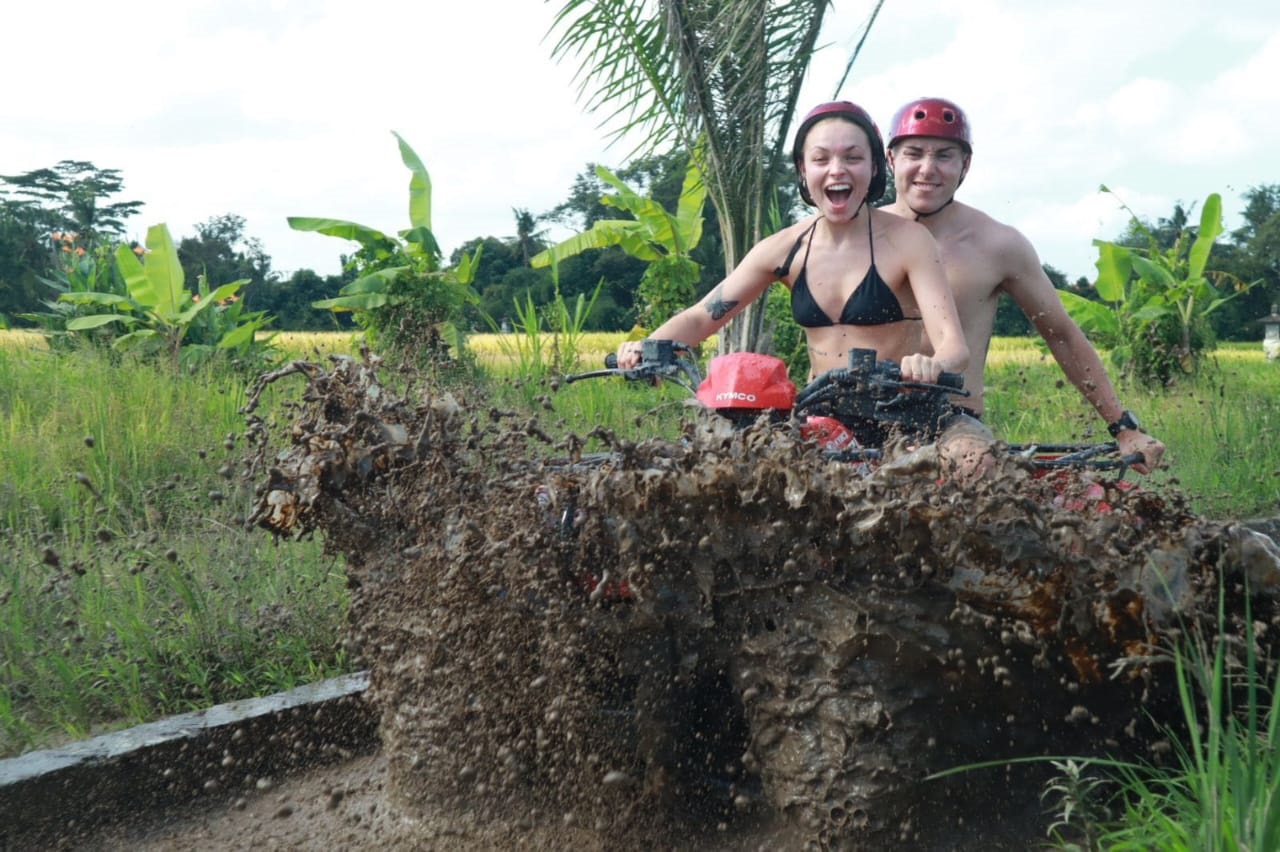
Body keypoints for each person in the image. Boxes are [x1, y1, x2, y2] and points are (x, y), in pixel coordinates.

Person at [617, 100, 976, 452]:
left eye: (853, 157)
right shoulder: (783, 248)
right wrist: (647, 347)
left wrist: (929, 365)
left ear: (874, 167)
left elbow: (953, 346)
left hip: (910, 414)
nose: (837, 170)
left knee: (972, 461)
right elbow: (702, 315)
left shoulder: (909, 240)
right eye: (821, 159)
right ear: (804, 170)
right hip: (818, 416)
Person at [883, 96, 1166, 474]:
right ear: (890, 160)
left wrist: (1124, 427)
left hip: (951, 419)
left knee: (978, 465)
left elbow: (1061, 333)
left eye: (944, 156)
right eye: (914, 153)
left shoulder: (997, 244)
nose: (927, 168)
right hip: (861, 412)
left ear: (965, 165)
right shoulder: (856, 235)